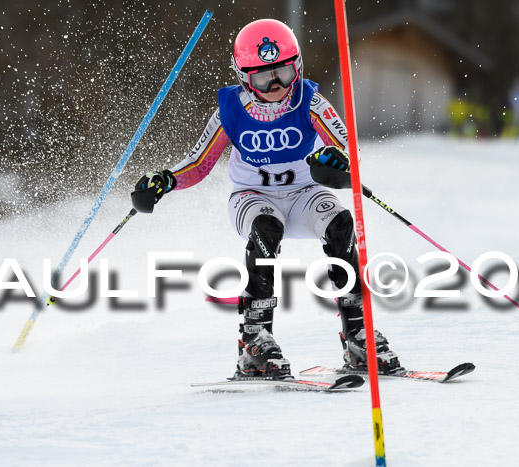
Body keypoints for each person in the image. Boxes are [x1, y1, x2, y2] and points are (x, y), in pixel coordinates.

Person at [133, 18, 401, 379]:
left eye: (284, 73)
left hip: (305, 195)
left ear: (298, 67)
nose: (275, 85)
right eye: (263, 77)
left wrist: (336, 163)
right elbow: (198, 163)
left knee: (339, 223)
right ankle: (255, 340)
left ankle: (358, 336)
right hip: (252, 197)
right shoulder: (231, 110)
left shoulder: (310, 100)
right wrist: (164, 181)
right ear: (245, 77)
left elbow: (344, 144)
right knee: (265, 228)